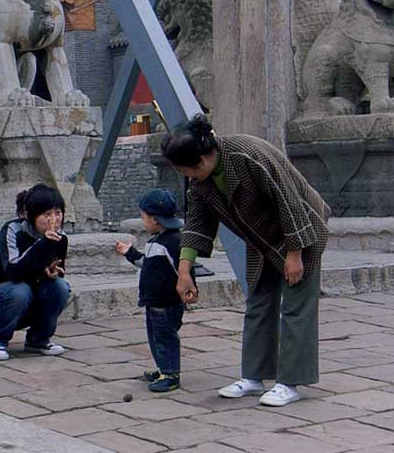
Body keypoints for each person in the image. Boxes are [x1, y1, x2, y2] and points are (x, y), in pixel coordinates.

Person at [162, 114, 330, 407]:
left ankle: (289, 383)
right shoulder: (201, 182)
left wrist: (294, 253)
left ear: (201, 160)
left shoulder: (249, 154)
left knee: (295, 308)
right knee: (258, 303)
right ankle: (253, 376)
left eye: (184, 169)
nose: (186, 176)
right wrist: (184, 269)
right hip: (261, 239)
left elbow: (288, 200)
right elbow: (197, 222)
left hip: (302, 233)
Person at [0, 184, 71, 361]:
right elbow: (14, 272)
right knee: (20, 289)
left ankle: (38, 340)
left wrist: (52, 273)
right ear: (30, 215)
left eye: (58, 213)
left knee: (60, 287)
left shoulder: (60, 239)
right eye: (47, 215)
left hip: (25, 304)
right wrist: (42, 244)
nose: (54, 219)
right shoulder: (13, 230)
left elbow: (53, 275)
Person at [114, 188, 186, 393]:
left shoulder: (172, 242)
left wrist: (188, 289)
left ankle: (171, 374)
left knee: (165, 337)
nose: (142, 220)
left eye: (143, 216)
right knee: (156, 337)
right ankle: (163, 368)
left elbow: (184, 269)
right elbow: (147, 264)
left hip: (166, 302)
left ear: (154, 220)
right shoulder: (157, 241)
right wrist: (129, 253)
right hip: (153, 301)